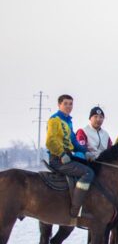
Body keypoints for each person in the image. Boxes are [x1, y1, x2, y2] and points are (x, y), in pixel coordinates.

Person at [45, 94, 94, 224]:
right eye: (65, 103)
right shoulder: (55, 120)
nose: (68, 106)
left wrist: (85, 152)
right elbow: (51, 141)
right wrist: (61, 154)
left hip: (68, 156)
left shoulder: (68, 121)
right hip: (58, 159)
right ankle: (75, 210)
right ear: (59, 105)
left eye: (70, 104)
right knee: (88, 172)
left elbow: (74, 141)